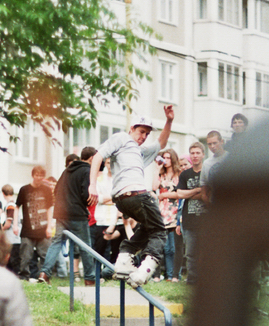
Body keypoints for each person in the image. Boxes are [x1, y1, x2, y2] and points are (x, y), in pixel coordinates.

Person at [87, 105, 175, 287]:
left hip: (123, 201)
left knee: (148, 227)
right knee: (160, 230)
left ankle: (124, 259)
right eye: (141, 132)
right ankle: (145, 270)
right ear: (132, 128)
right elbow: (98, 156)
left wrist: (169, 121)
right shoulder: (122, 138)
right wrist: (92, 184)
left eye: (146, 134)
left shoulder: (141, 152)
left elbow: (161, 142)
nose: (143, 137)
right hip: (136, 195)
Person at [38, 149, 96, 286]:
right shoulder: (87, 171)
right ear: (91, 158)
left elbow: (56, 190)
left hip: (61, 214)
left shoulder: (67, 171)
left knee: (56, 243)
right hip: (77, 214)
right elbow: (86, 194)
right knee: (85, 246)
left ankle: (44, 273)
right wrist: (87, 203)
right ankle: (89, 278)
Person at [175, 141, 207, 284]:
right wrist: (197, 190)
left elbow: (209, 194)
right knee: (190, 253)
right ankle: (192, 279)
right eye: (192, 153)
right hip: (189, 219)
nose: (195, 156)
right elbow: (180, 194)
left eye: (197, 153)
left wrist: (190, 194)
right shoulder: (185, 174)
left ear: (203, 155)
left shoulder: (208, 172)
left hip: (207, 219)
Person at [16, 166, 53, 280]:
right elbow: (17, 207)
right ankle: (24, 276)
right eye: (37, 175)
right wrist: (15, 225)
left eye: (41, 176)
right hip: (28, 229)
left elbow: (50, 208)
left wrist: (49, 226)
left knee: (45, 255)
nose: (39, 178)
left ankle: (44, 276)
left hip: (43, 229)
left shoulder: (46, 190)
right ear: (33, 175)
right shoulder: (24, 189)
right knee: (25, 256)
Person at [154, 148, 181, 281]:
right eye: (164, 157)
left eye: (168, 158)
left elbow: (180, 193)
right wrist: (157, 169)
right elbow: (154, 187)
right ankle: (162, 274)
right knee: (163, 246)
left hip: (175, 209)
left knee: (173, 247)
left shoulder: (178, 174)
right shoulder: (161, 174)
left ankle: (173, 275)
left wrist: (164, 195)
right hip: (162, 211)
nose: (166, 160)